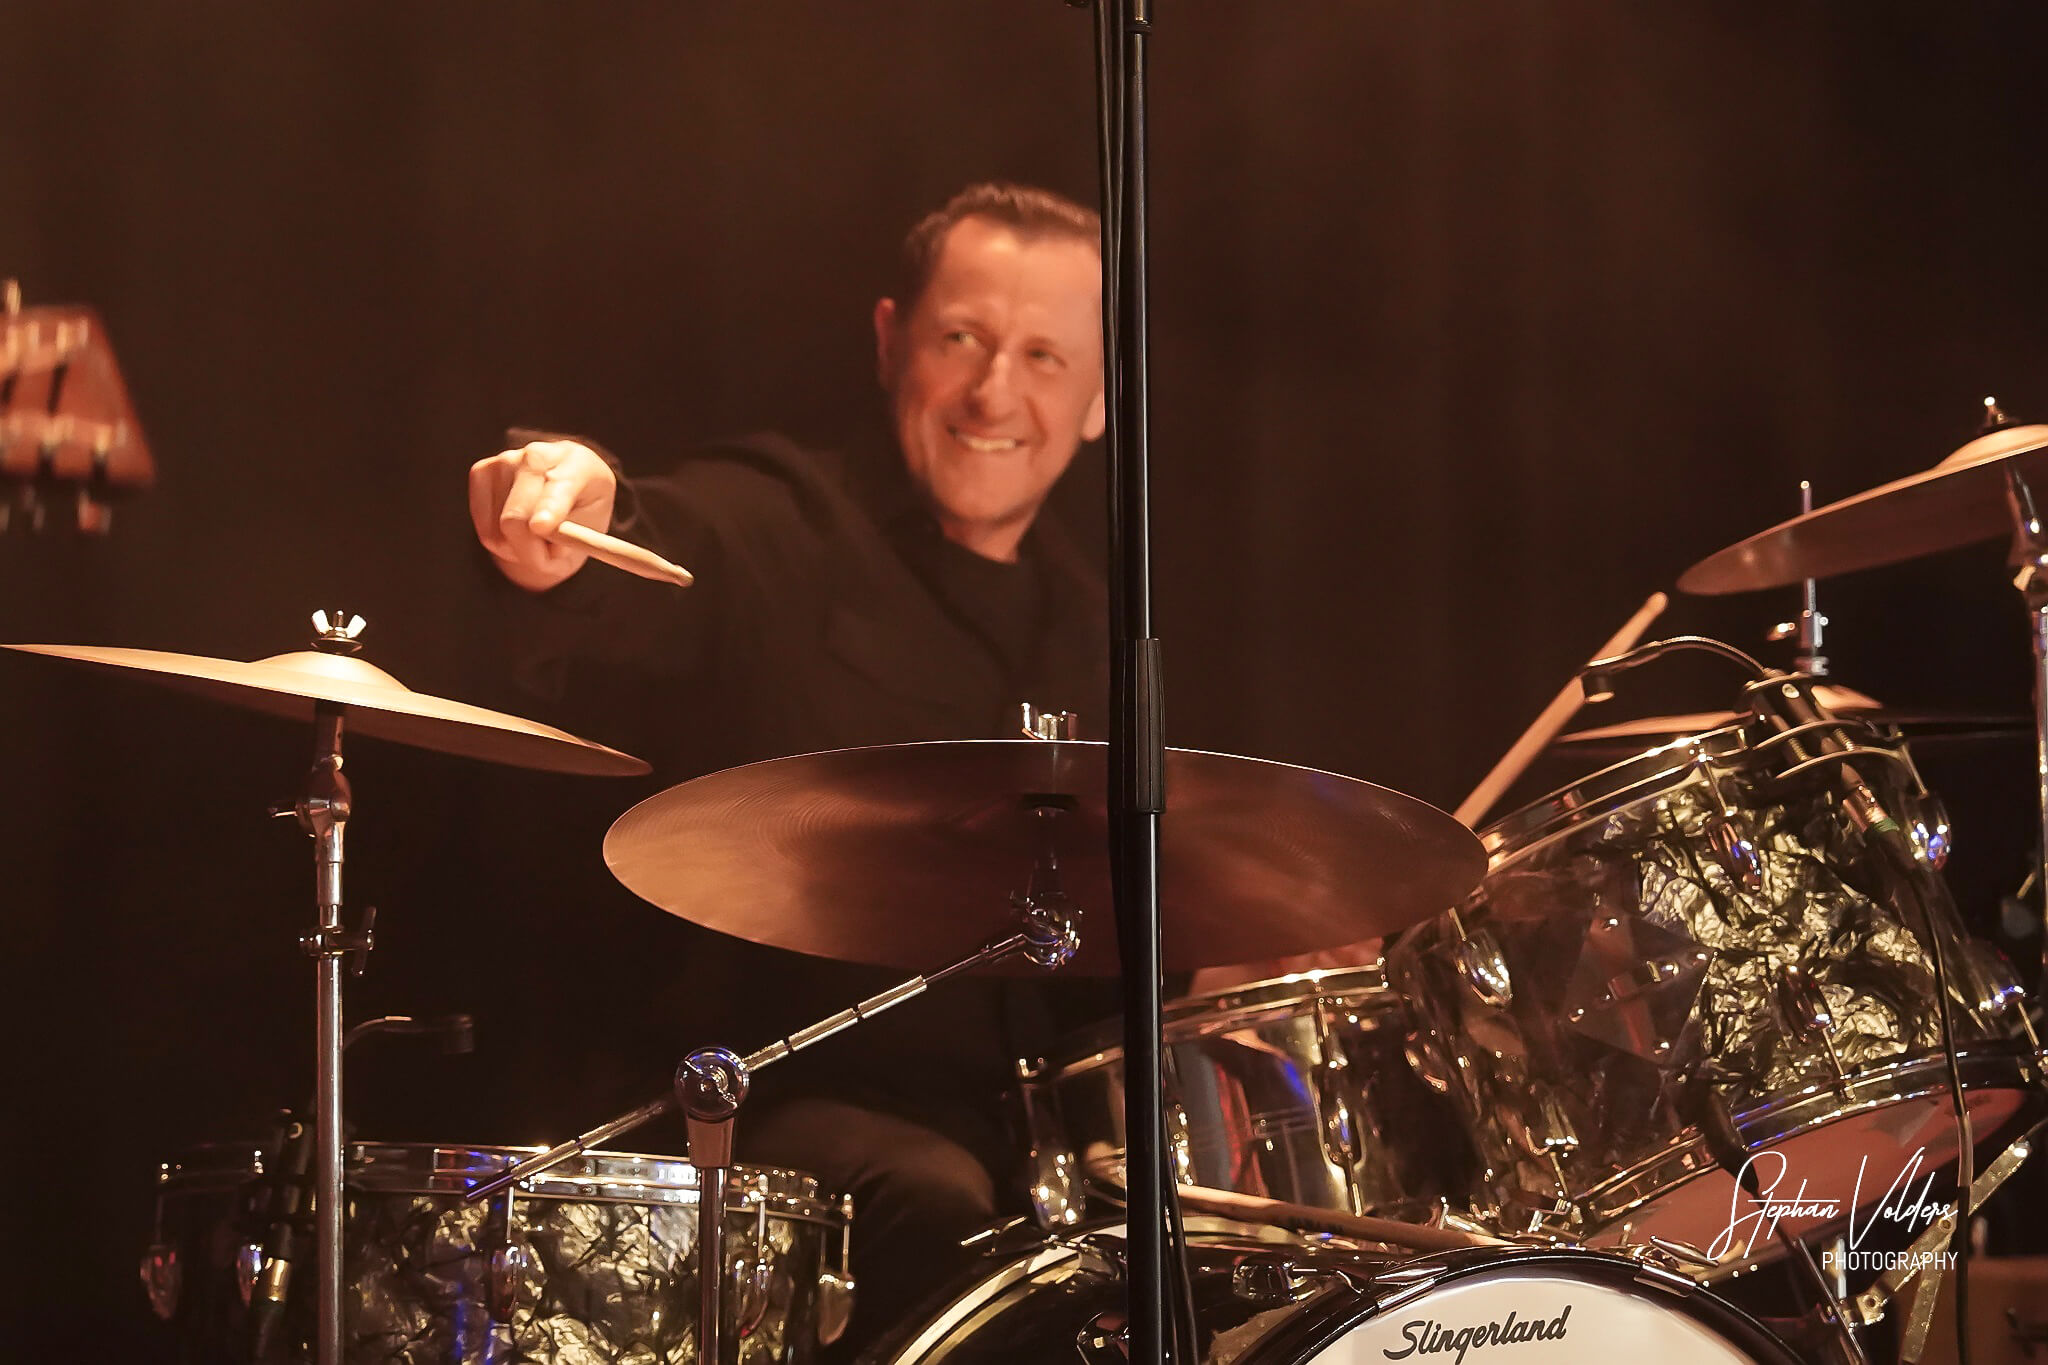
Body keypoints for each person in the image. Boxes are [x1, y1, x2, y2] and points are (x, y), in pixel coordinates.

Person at [468, 182, 1113, 1354]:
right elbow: (642, 544)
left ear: (1101, 396)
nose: (993, 393)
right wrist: (558, 521)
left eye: (1042, 356)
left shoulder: (1097, 631)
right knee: (937, 1207)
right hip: (753, 1115)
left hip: (1028, 1138)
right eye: (959, 338)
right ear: (889, 341)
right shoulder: (776, 524)